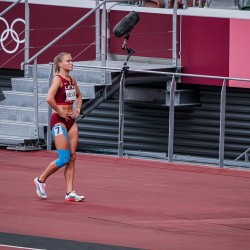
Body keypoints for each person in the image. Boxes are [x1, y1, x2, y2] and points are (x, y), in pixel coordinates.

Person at [33, 52, 85, 202]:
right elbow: (49, 98)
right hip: (59, 121)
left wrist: (78, 109)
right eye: (68, 61)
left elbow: (79, 96)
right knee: (64, 158)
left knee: (73, 157)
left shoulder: (72, 80)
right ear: (60, 64)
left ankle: (69, 192)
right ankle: (40, 180)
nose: (71, 63)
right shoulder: (58, 79)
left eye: (72, 60)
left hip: (71, 121)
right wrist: (59, 110)